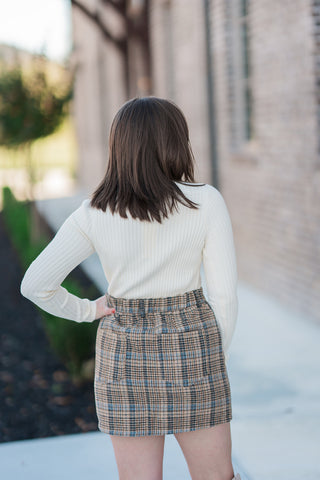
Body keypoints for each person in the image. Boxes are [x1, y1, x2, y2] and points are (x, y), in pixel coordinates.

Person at [20, 96, 241, 480]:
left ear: (118, 147)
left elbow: (35, 285)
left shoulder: (93, 212)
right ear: (175, 142)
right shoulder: (204, 202)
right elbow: (224, 297)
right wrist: (210, 359)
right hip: (193, 346)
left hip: (122, 351)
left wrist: (87, 311)